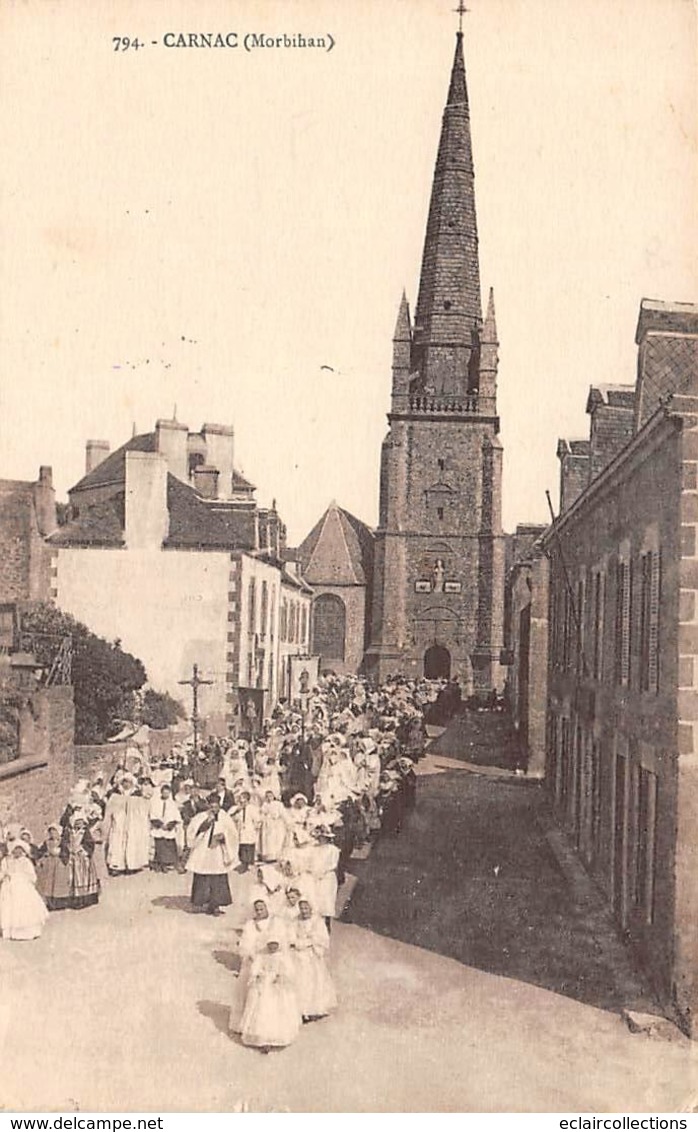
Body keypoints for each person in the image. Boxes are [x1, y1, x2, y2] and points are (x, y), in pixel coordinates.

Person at [239, 929, 301, 1052]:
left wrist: (281, 976)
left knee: (275, 1010)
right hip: (263, 984)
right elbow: (255, 968)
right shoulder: (262, 956)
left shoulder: (283, 957)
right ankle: (261, 1038)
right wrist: (257, 975)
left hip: (276, 986)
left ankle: (275, 1037)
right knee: (261, 1009)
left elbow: (289, 971)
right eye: (270, 944)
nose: (272, 947)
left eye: (275, 944)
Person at [186, 794, 238, 915]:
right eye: (212, 806)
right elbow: (192, 832)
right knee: (203, 875)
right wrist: (206, 824)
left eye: (216, 806)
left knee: (218, 877)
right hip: (204, 851)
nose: (214, 809)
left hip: (218, 851)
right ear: (208, 806)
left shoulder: (225, 817)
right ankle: (203, 902)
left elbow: (233, 834)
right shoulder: (201, 817)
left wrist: (224, 837)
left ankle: (215, 905)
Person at [291, 897, 337, 1022]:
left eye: (306, 908)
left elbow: (321, 938)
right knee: (297, 980)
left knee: (311, 981)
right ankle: (298, 1009)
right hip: (297, 953)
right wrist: (295, 942)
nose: (304, 911)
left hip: (310, 953)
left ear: (311, 908)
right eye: (301, 908)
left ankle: (311, 1009)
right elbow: (291, 933)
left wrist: (307, 942)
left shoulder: (317, 921)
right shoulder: (296, 920)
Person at [102, 773, 151, 874]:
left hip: (133, 823)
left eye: (129, 782)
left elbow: (143, 811)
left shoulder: (137, 795)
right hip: (119, 823)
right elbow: (109, 810)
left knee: (132, 843)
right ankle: (117, 866)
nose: (127, 784)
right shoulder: (116, 795)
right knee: (117, 843)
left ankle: (132, 865)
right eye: (125, 782)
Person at [0, 840, 49, 940]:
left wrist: (22, 879)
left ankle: (27, 931)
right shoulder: (6, 861)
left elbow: (32, 877)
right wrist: (5, 877)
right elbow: (2, 872)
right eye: (15, 849)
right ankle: (9, 931)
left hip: (22, 886)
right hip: (9, 886)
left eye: (20, 850)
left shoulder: (26, 862)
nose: (17, 852)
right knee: (8, 907)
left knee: (24, 906)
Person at [35, 824, 72, 911]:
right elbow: (41, 851)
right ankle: (51, 903)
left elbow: (66, 852)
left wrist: (61, 854)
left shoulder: (62, 841)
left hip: (60, 864)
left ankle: (61, 903)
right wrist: (44, 855)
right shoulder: (47, 842)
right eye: (51, 832)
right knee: (50, 884)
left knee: (60, 884)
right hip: (50, 865)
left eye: (54, 832)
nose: (52, 834)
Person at [149, 783, 183, 872]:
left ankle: (170, 863)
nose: (166, 795)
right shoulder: (155, 803)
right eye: (164, 793)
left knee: (169, 845)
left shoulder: (173, 804)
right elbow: (152, 815)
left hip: (168, 828)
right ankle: (160, 864)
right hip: (159, 827)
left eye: (167, 793)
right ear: (161, 793)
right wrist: (160, 825)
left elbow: (177, 817)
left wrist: (169, 825)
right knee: (159, 845)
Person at [230, 789, 261, 873]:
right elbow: (231, 817)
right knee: (242, 846)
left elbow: (257, 819)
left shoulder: (252, 808)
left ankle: (249, 863)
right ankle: (244, 863)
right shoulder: (237, 808)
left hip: (249, 830)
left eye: (243, 798)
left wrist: (256, 827)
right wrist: (237, 811)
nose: (241, 800)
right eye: (240, 798)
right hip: (240, 830)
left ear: (247, 799)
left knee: (249, 846)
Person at [257, 789, 288, 863]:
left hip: (276, 824)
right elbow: (261, 814)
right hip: (267, 824)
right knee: (267, 840)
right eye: (267, 796)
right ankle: (268, 856)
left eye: (270, 796)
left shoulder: (278, 804)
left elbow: (283, 814)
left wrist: (287, 822)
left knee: (275, 840)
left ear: (273, 796)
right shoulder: (264, 805)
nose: (269, 798)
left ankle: (275, 856)